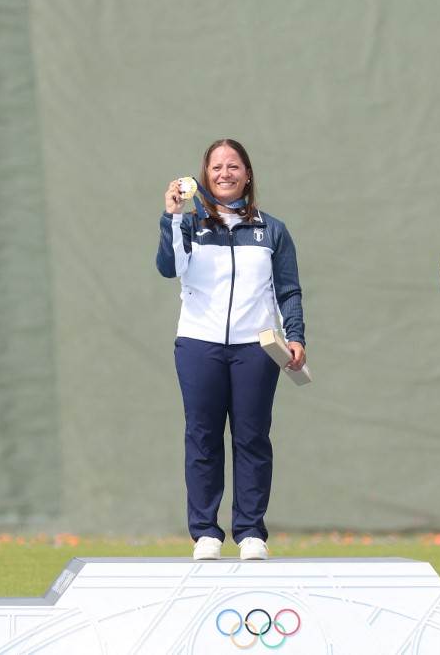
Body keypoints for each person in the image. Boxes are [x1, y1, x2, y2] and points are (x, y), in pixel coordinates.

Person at [156, 139, 306, 561]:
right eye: (217, 167)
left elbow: (289, 290)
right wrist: (172, 217)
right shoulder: (189, 225)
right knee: (202, 437)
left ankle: (251, 531)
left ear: (248, 173)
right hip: (198, 344)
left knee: (252, 437)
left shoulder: (271, 229)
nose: (225, 173)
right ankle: (205, 532)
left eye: (233, 166)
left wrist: (295, 336)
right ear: (205, 176)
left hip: (256, 347)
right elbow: (169, 267)